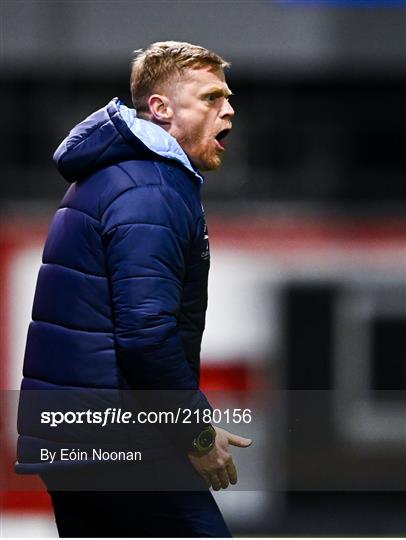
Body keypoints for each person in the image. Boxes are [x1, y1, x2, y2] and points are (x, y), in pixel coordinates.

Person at [16, 41, 252, 537]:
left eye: (227, 98)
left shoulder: (115, 176)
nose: (228, 109)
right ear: (161, 108)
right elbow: (146, 332)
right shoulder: (151, 188)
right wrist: (196, 431)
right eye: (210, 98)